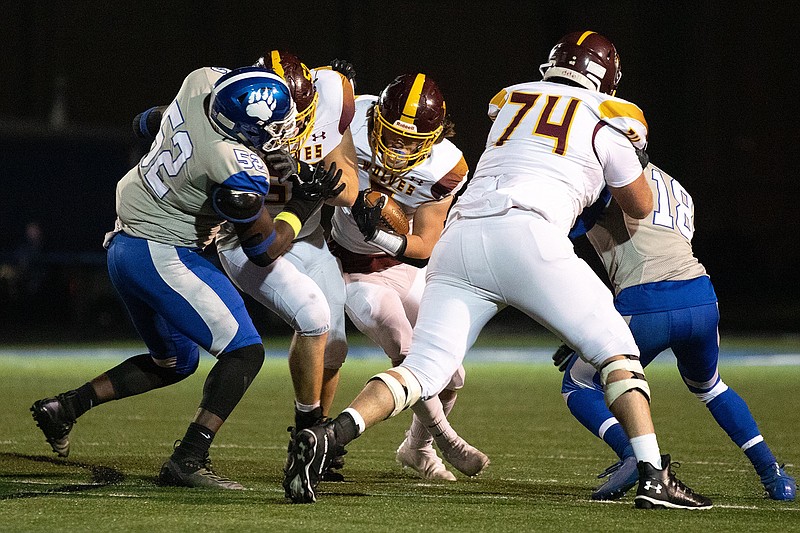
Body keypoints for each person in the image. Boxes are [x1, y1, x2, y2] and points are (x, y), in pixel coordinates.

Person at [282, 30, 713, 509]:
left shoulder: (510, 101)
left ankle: (328, 436)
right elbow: (641, 204)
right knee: (618, 352)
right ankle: (654, 476)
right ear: (606, 79)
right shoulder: (612, 118)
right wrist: (631, 161)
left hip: (463, 238)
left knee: (423, 370)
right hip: (530, 236)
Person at [30, 65, 343, 490]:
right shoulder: (236, 166)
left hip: (123, 245)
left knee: (175, 362)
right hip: (162, 252)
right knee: (246, 353)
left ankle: (66, 407)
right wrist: (306, 203)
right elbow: (264, 249)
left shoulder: (200, 83)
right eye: (274, 126)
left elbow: (146, 120)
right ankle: (189, 457)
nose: (281, 134)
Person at [133, 51, 360, 465]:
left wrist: (315, 173)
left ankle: (317, 442)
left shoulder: (329, 94)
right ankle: (308, 435)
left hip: (308, 238)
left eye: (300, 110)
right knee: (312, 318)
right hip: (252, 240)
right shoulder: (231, 147)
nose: (291, 124)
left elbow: (348, 191)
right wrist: (301, 193)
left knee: (336, 346)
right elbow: (262, 246)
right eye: (279, 119)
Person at [551, 158, 796, 501]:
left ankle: (634, 454)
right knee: (711, 386)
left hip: (645, 303)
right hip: (701, 297)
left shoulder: (607, 179)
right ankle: (774, 475)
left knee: (579, 384)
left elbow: (558, 237)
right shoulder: (675, 185)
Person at [326, 73, 488, 480]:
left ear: (434, 138)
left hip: (397, 264)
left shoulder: (445, 166)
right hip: (349, 269)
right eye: (391, 134)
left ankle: (417, 449)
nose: (397, 147)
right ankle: (448, 440)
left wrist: (381, 233)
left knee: (453, 372)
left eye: (411, 141)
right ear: (376, 118)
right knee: (405, 346)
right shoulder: (353, 118)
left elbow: (426, 244)